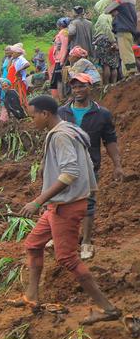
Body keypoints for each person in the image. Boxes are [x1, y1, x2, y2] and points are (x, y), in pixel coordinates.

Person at [9, 96, 121, 326]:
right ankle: (31, 295)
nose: (32, 122)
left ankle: (107, 308)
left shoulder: (61, 136)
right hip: (57, 205)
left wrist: (37, 201)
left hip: (66, 206)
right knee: (33, 244)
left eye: (33, 117)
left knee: (67, 258)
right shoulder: (69, 129)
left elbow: (70, 173)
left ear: (45, 114)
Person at [57, 74, 123, 260]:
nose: (78, 91)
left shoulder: (102, 114)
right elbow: (53, 139)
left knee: (88, 204)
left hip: (90, 166)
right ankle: (65, 237)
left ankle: (86, 241)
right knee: (62, 201)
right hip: (65, 165)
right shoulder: (62, 112)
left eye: (82, 87)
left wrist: (117, 165)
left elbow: (110, 140)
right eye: (75, 87)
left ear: (90, 87)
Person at [103, 0, 137, 76]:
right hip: (131, 30)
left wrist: (114, 12)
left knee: (126, 53)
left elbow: (106, 10)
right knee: (124, 52)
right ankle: (126, 75)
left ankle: (131, 72)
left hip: (122, 29)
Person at [92, 0, 121, 84]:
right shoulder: (114, 16)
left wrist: (112, 41)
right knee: (114, 65)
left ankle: (106, 84)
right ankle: (114, 84)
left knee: (106, 64)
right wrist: (115, 41)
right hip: (115, 40)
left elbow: (107, 29)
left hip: (105, 41)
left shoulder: (103, 16)